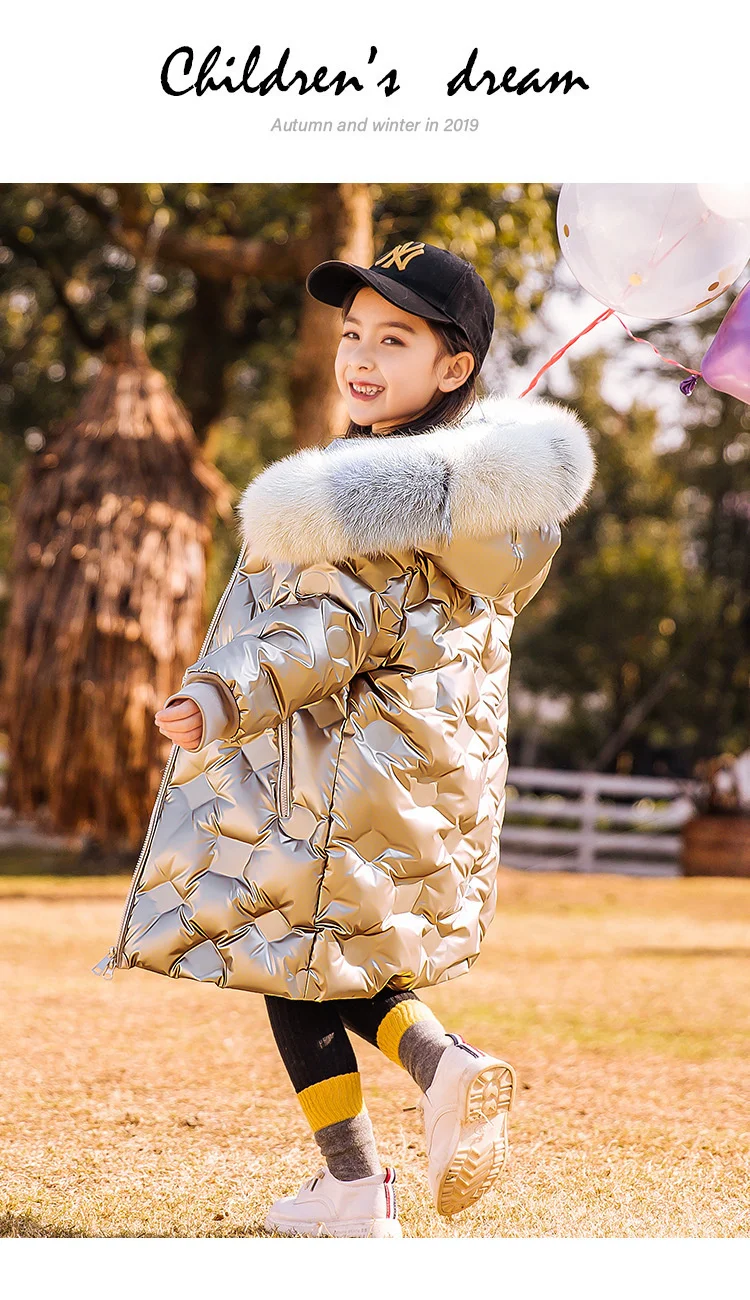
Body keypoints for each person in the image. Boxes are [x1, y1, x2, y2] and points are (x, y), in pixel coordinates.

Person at [143, 241, 596, 1237]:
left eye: (395, 339)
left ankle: (417, 1099)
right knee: (329, 965)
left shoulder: (364, 502)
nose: (360, 355)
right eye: (353, 332)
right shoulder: (489, 513)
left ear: (454, 367)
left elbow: (325, 631)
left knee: (291, 957)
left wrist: (221, 693)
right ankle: (366, 1170)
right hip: (422, 787)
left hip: (338, 773)